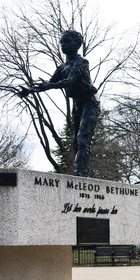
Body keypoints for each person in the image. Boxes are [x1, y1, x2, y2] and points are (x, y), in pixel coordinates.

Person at [17, 30, 100, 176]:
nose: (63, 45)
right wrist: (30, 90)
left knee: (82, 138)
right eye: (62, 42)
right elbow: (50, 82)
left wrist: (48, 86)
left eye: (67, 42)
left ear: (77, 44)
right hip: (77, 104)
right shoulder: (62, 67)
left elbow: (70, 81)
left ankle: (80, 173)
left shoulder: (81, 62)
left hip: (89, 103)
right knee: (75, 140)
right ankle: (78, 171)